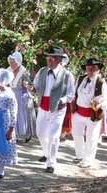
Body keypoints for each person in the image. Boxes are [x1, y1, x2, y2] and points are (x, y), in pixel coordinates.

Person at [30, 46, 74, 174]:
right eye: (48, 57)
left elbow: (71, 94)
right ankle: (46, 154)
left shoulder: (67, 75)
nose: (49, 59)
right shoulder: (42, 71)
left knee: (53, 136)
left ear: (59, 60)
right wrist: (32, 89)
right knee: (40, 133)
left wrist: (63, 101)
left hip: (58, 108)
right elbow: (36, 86)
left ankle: (51, 163)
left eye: (52, 57)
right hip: (43, 106)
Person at [71, 58, 107, 168]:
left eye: (93, 68)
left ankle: (88, 160)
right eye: (89, 68)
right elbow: (74, 92)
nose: (91, 70)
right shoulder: (80, 78)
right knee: (76, 134)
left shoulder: (101, 83)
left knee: (91, 138)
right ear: (86, 69)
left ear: (98, 70)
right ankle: (80, 155)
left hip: (93, 115)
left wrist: (98, 104)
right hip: (78, 112)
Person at [7, 51, 36, 142]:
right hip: (10, 94)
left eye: (13, 62)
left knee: (20, 115)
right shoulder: (8, 70)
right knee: (11, 114)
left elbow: (29, 85)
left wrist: (26, 84)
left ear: (18, 62)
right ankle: (12, 133)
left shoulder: (23, 72)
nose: (11, 64)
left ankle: (24, 134)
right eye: (10, 62)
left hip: (21, 95)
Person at [60, 55, 73, 141]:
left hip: (64, 99)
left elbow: (70, 90)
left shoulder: (68, 75)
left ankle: (62, 133)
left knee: (65, 117)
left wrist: (65, 99)